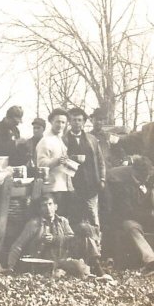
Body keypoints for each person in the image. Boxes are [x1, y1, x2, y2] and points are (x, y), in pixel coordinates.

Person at [63, 107, 106, 276]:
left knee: (94, 220)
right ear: (69, 121)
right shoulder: (64, 140)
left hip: (91, 186)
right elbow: (61, 162)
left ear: (84, 122)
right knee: (73, 220)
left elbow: (101, 161)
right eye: (73, 120)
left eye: (80, 120)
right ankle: (75, 256)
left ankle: (96, 257)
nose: (76, 123)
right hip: (72, 186)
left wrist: (102, 179)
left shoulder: (92, 139)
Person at [107, 156, 154, 275]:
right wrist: (151, 215)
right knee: (131, 227)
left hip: (148, 220)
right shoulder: (124, 187)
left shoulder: (149, 185)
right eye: (146, 174)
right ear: (138, 173)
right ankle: (152, 260)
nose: (149, 176)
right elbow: (128, 212)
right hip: (130, 220)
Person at [8, 194, 81, 274]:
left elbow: (72, 239)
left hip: (62, 260)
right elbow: (18, 245)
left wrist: (54, 238)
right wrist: (11, 266)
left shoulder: (63, 221)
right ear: (40, 209)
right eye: (44, 205)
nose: (48, 208)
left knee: (80, 268)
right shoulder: (34, 224)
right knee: (56, 275)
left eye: (50, 204)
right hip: (42, 263)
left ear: (55, 207)